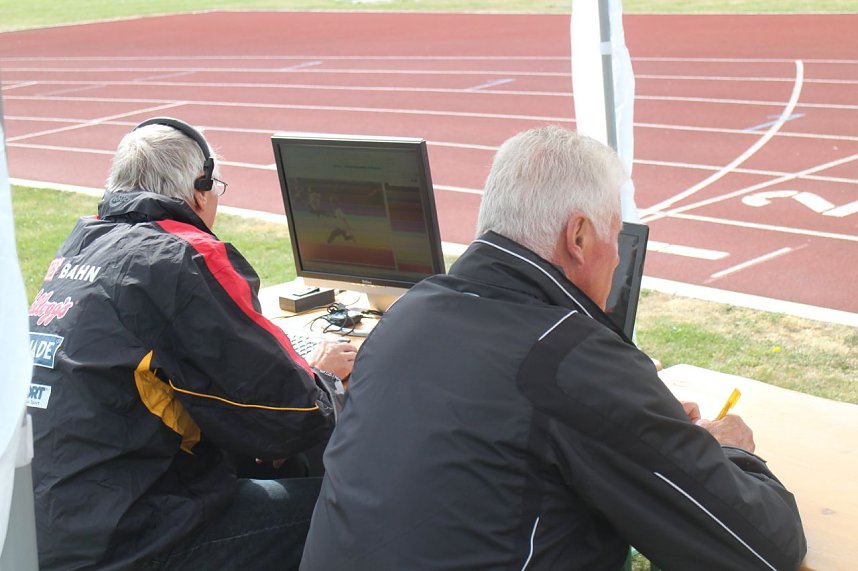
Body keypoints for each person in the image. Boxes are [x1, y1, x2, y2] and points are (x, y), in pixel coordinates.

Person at [300, 126, 807, 571]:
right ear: (580, 237)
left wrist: (646, 421)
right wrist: (728, 450)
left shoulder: (409, 313)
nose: (616, 256)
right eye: (614, 235)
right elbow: (761, 546)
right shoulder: (569, 357)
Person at [27, 117, 357, 571]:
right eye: (216, 186)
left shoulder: (82, 245)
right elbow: (293, 413)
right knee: (351, 505)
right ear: (199, 189)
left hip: (51, 528)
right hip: (126, 541)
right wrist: (322, 373)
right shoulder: (180, 254)